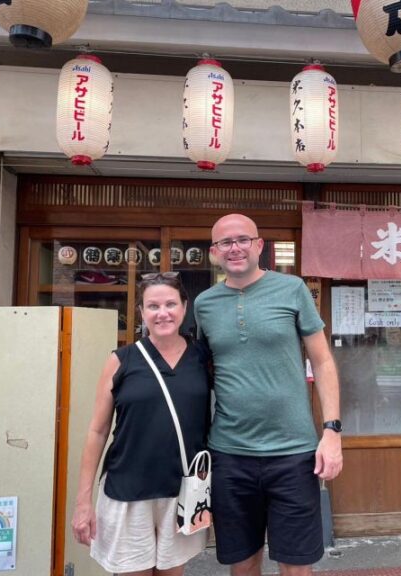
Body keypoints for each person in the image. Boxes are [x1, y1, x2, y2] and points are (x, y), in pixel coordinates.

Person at [194, 213, 342, 576]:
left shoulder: (291, 290)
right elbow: (202, 372)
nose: (235, 248)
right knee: (242, 561)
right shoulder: (204, 304)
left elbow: (322, 362)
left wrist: (332, 431)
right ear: (214, 252)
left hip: (293, 453)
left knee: (296, 562)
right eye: (225, 242)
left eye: (243, 239)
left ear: (259, 245)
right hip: (230, 453)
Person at [71, 272, 211, 576]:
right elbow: (97, 431)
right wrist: (83, 502)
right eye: (153, 306)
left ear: (185, 307)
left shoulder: (202, 357)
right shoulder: (122, 360)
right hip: (128, 489)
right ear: (142, 312)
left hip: (182, 490)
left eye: (171, 304)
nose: (163, 313)